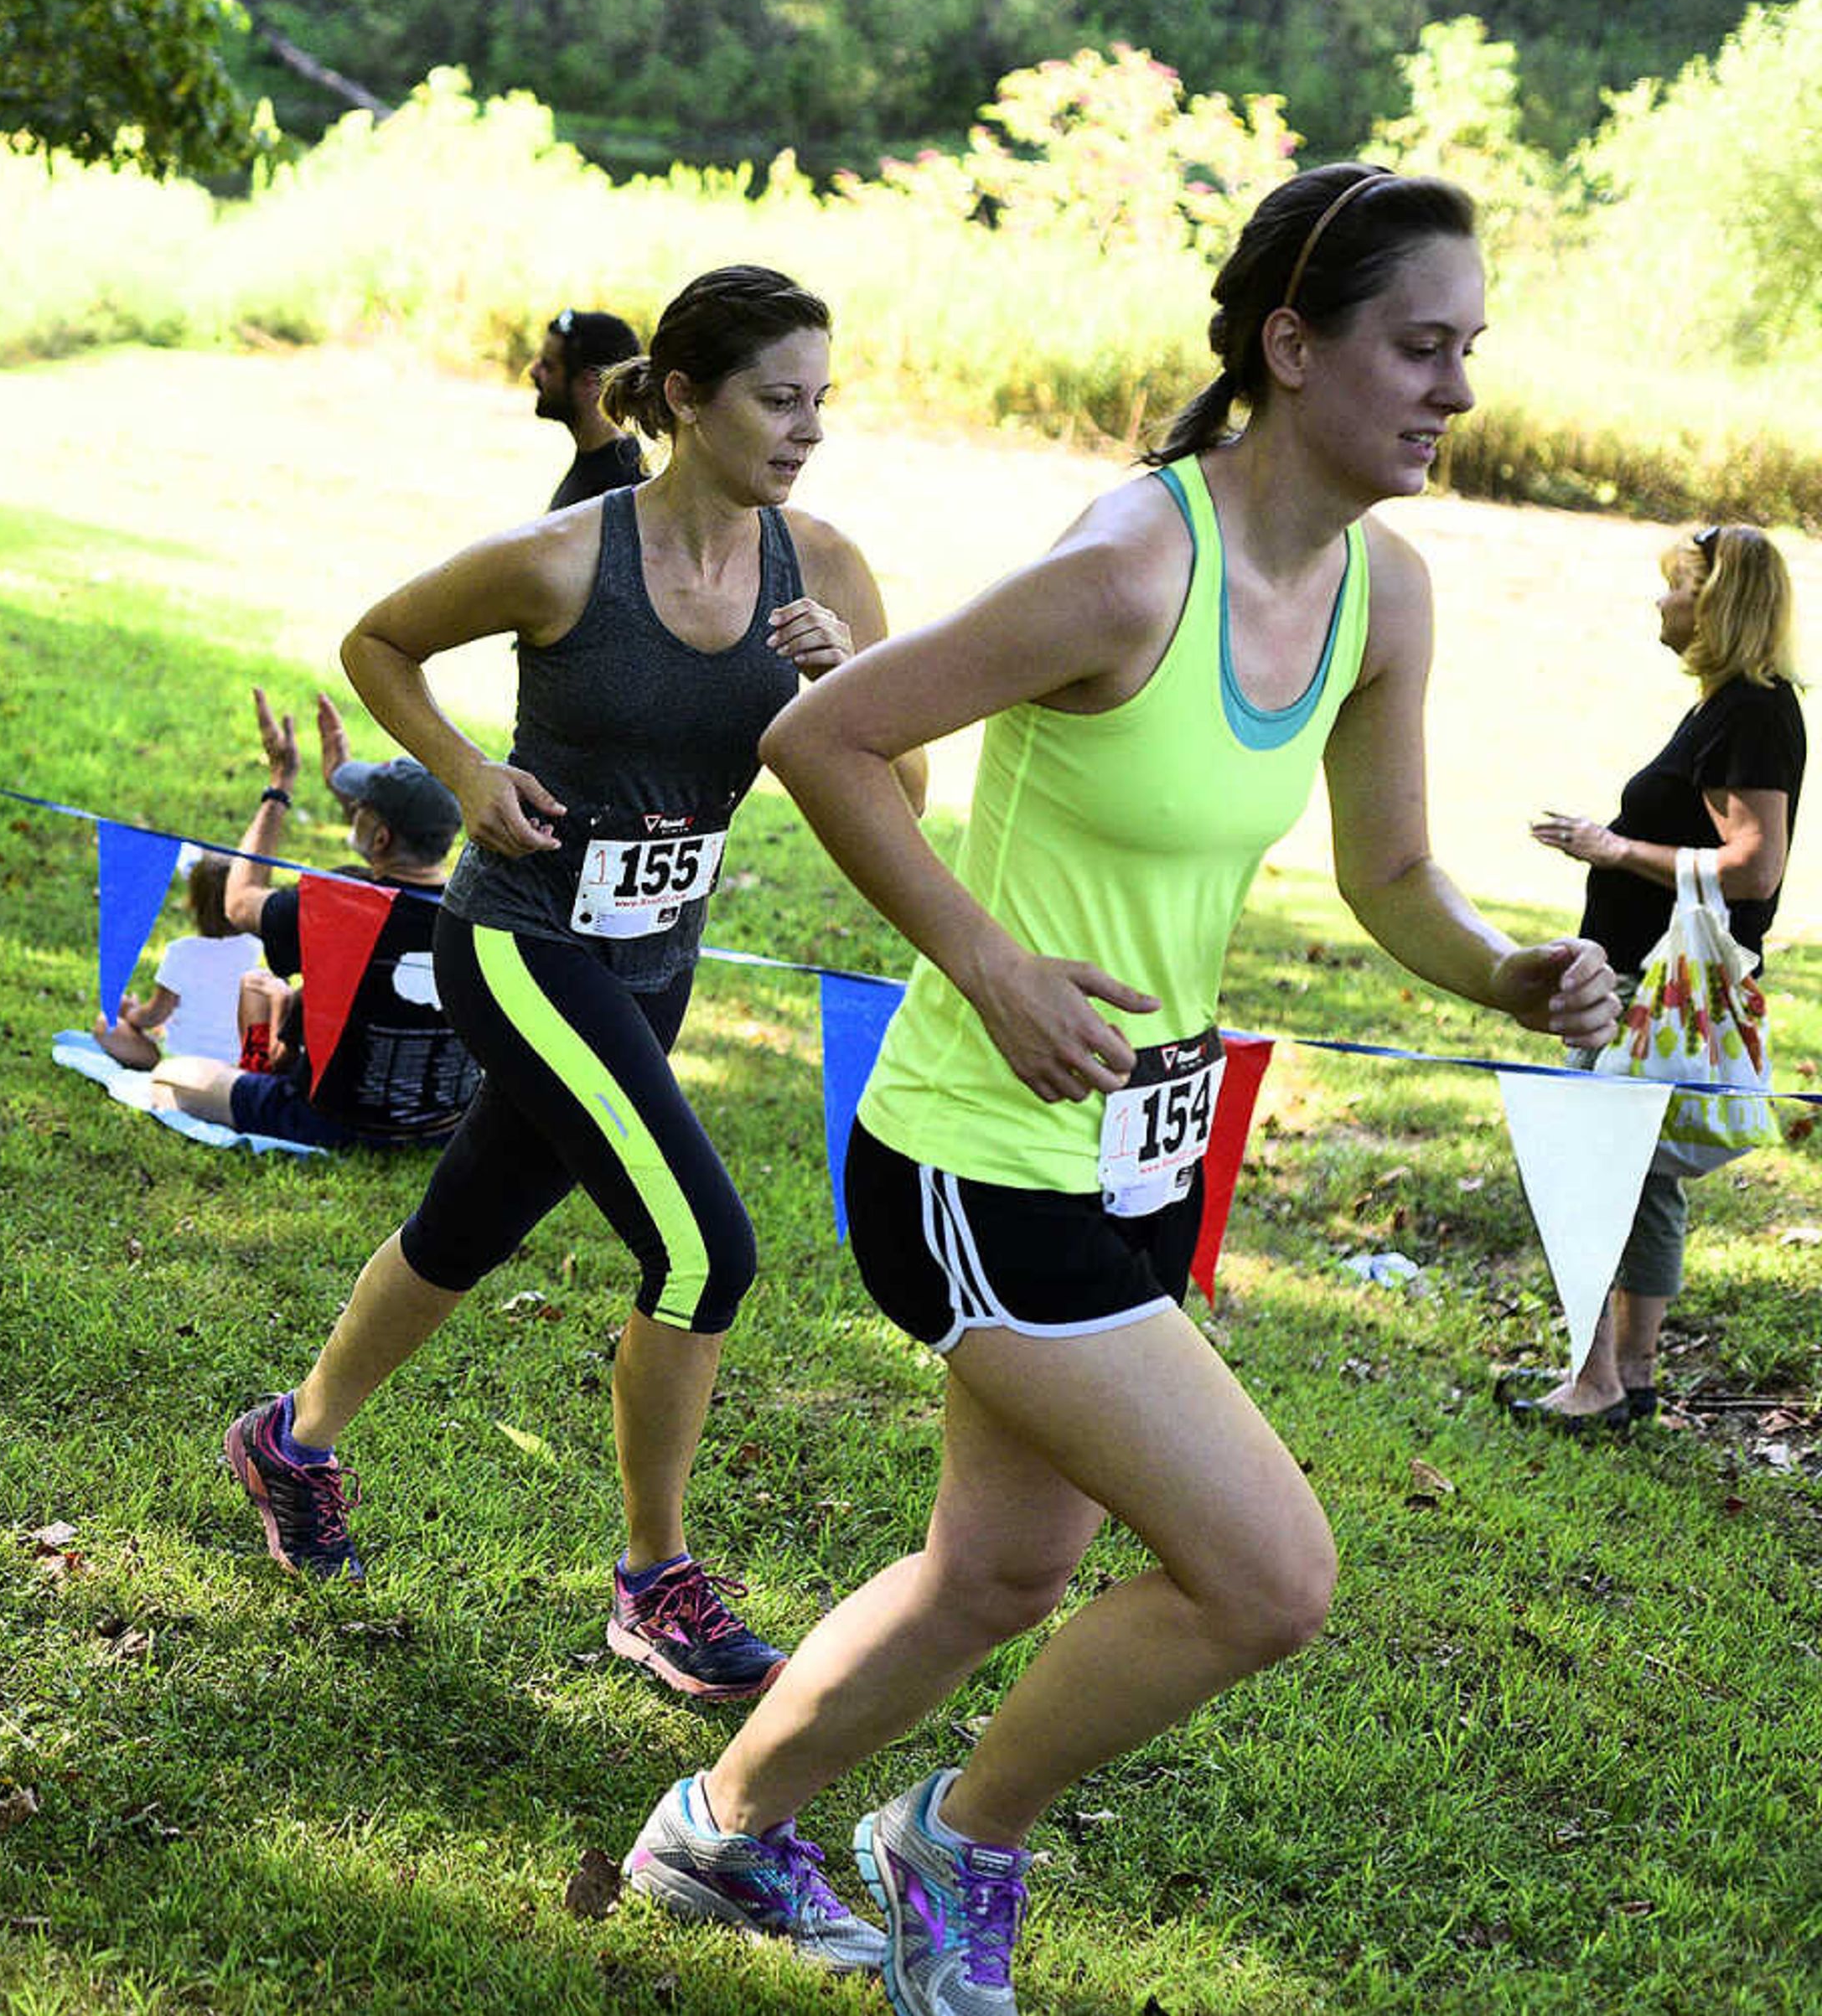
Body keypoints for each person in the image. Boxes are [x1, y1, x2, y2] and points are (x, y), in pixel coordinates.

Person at [620, 168, 1617, 2010]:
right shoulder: (1125, 565)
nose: (1458, 389)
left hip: (1134, 1152)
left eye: (1469, 348)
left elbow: (1390, 873)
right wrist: (988, 966)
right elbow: (823, 734)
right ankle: (955, 1842)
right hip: (977, 1161)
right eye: (1421, 345)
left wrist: (1510, 970)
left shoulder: (1379, 588)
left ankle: (719, 1829)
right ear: (1292, 346)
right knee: (1268, 1576)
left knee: (995, 1571)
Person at [220, 266, 919, 1707]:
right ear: (681, 398)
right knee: (706, 1250)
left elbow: (905, 786)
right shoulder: (564, 558)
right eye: (776, 400)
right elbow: (378, 641)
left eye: (820, 401)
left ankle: (291, 1436)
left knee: (465, 1223)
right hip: (522, 944)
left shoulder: (826, 569)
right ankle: (655, 1582)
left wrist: (843, 682)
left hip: (652, 967)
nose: (807, 430)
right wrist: (469, 773)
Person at [1517, 525, 1802, 1430]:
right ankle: (1630, 1376)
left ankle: (1595, 1379)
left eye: (1677, 587)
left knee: (1592, 1162)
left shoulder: (1756, 711)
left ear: (1714, 604)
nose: (1662, 601)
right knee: (1642, 1175)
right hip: (1643, 983)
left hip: (1657, 993)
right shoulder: (1727, 706)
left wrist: (1611, 847)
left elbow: (1753, 866)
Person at [151, 691, 481, 1150]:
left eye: (360, 808)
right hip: (440, 1125)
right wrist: (348, 791)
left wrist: (280, 784)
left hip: (332, 1121)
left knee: (171, 1076)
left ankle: (251, 1070)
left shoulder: (343, 906)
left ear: (381, 837)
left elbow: (239, 901)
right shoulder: (482, 911)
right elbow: (387, 851)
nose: (354, 811)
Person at [94, 855, 266, 1068]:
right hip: (239, 1063)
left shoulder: (181, 952)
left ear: (192, 903)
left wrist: (130, 1012)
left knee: (105, 1025)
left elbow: (155, 1015)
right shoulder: (257, 950)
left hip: (181, 1063)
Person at [533, 307, 649, 512]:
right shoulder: (596, 464)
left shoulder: (622, 488)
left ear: (590, 382)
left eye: (548, 366)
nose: (533, 372)